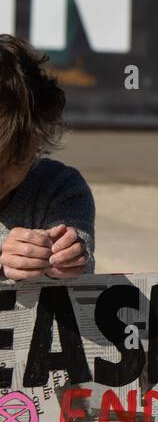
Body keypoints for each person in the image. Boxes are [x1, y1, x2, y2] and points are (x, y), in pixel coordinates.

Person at [0, 36, 94, 282]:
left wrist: (68, 258)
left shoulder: (59, 187)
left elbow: (81, 264)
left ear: (38, 142)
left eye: (17, 160)